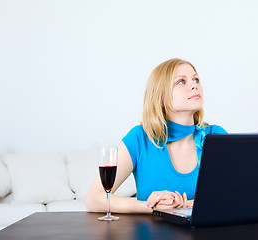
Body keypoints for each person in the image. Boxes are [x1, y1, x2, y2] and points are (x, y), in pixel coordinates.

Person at [86, 58, 227, 214]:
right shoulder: (139, 139)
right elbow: (94, 199)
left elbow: (237, 193)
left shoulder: (216, 136)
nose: (194, 85)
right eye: (181, 82)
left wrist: (185, 205)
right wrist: (152, 207)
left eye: (196, 79)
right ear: (160, 97)